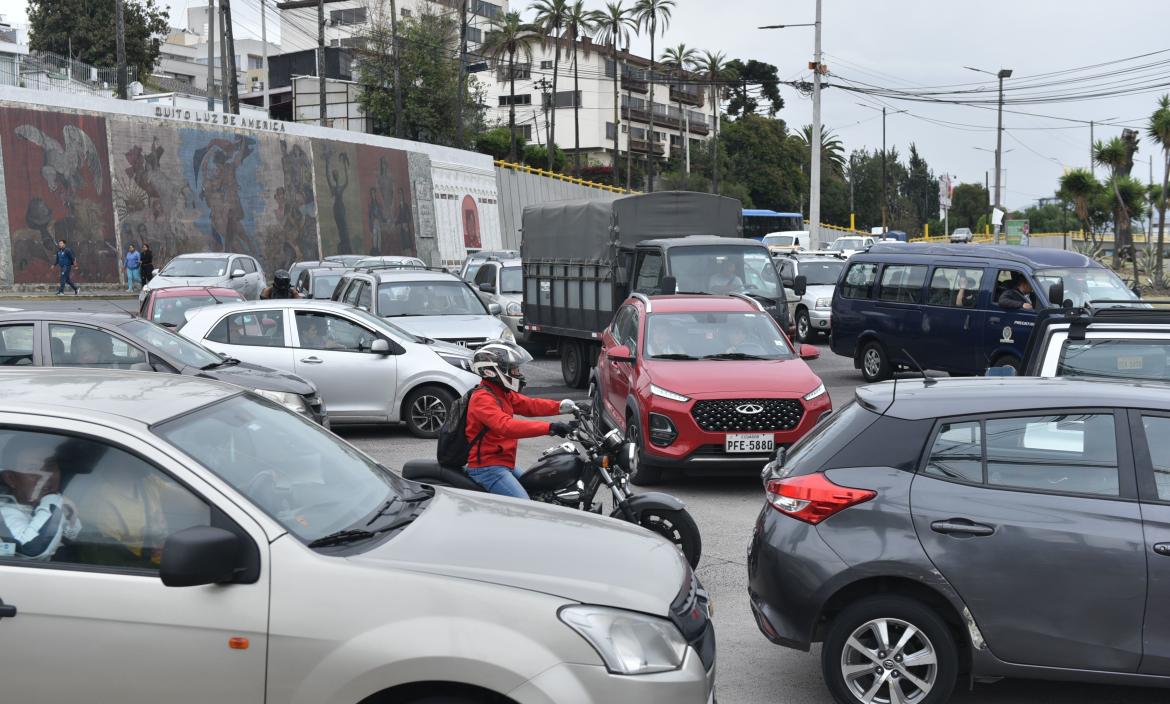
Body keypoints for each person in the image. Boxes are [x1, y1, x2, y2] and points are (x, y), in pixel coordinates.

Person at [465, 341, 577, 499]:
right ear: (493, 371)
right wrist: (550, 427)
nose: (517, 373)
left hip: (504, 463)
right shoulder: (482, 398)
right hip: (488, 468)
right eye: (513, 369)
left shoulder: (501, 392)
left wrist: (564, 406)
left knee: (538, 489)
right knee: (525, 506)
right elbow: (506, 427)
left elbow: (530, 405)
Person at [0, 434, 82, 561]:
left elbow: (73, 537)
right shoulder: (4, 515)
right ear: (11, 478)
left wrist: (66, 514)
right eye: (32, 469)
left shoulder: (51, 506)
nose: (46, 476)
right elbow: (30, 551)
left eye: (49, 466)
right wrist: (54, 503)